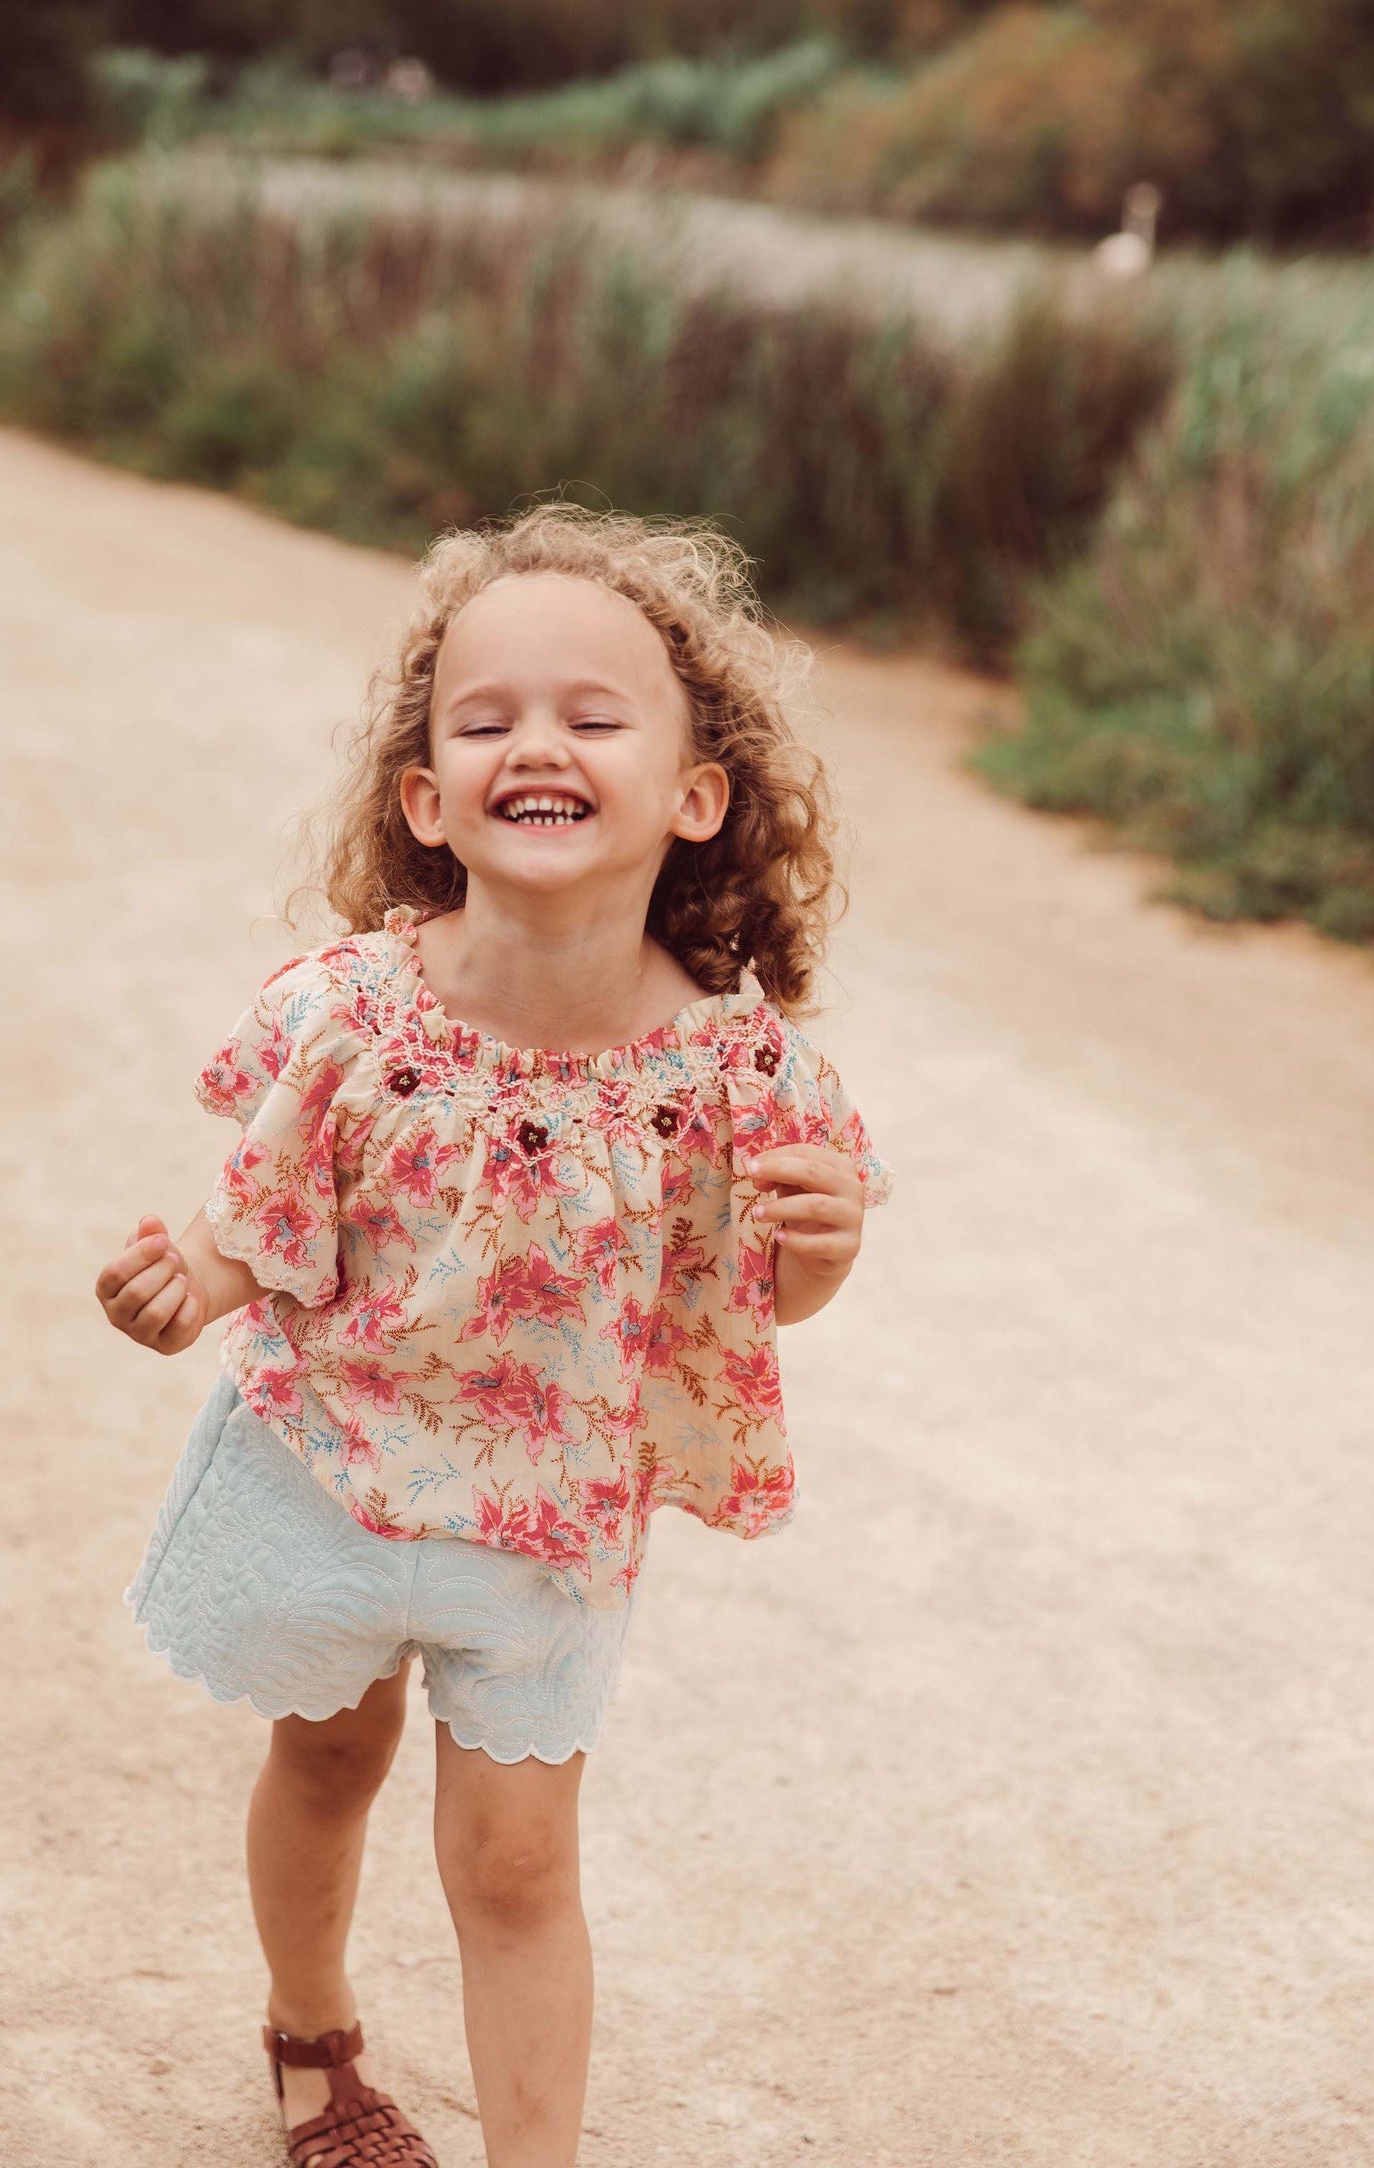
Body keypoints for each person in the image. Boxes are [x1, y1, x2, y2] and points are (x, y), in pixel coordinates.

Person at [95, 504, 890, 2168]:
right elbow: (274, 1216)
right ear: (426, 798)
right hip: (328, 1471)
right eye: (487, 718)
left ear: (693, 797)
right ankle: (312, 2043)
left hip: (544, 1519)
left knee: (518, 1865)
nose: (539, 741)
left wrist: (810, 1255)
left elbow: (749, 1292)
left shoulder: (738, 1074)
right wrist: (195, 1282)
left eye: (593, 716)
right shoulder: (350, 1013)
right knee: (323, 1761)